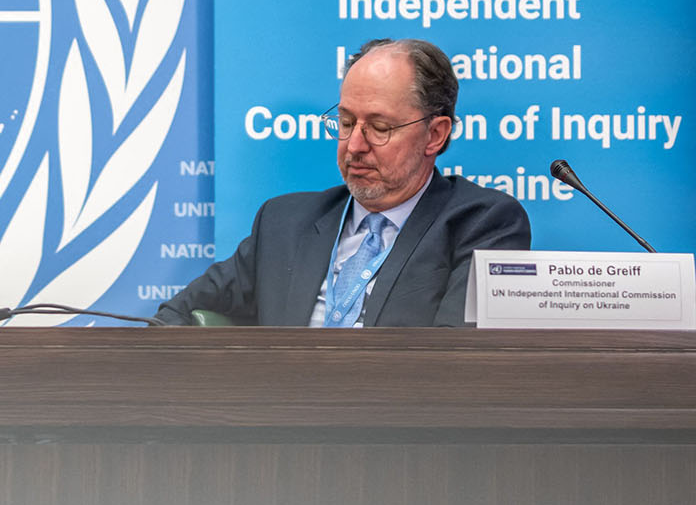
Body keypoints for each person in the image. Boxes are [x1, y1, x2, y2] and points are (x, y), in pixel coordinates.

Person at [155, 37, 530, 327]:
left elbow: (461, 360)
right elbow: (173, 317)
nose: (354, 145)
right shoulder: (284, 222)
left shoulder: (482, 224)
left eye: (380, 128)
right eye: (346, 122)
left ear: (435, 135)